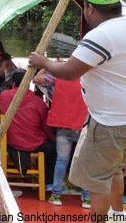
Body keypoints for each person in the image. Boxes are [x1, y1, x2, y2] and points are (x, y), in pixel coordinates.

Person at [28, 0, 126, 223]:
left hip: (110, 122)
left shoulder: (101, 36)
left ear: (88, 9)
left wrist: (42, 62)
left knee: (95, 177)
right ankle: (118, 216)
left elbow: (68, 72)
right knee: (113, 169)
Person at [33, 71, 91, 208]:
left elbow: (36, 79)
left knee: (61, 160)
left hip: (63, 124)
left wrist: (43, 66)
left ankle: (56, 195)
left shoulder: (59, 75)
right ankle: (87, 197)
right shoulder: (91, 76)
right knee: (85, 161)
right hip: (83, 124)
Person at [0, 71, 56, 186]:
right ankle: (48, 182)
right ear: (28, 84)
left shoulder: (3, 96)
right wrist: (52, 137)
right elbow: (46, 127)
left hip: (11, 142)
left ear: (13, 83)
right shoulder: (38, 103)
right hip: (35, 143)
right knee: (54, 148)